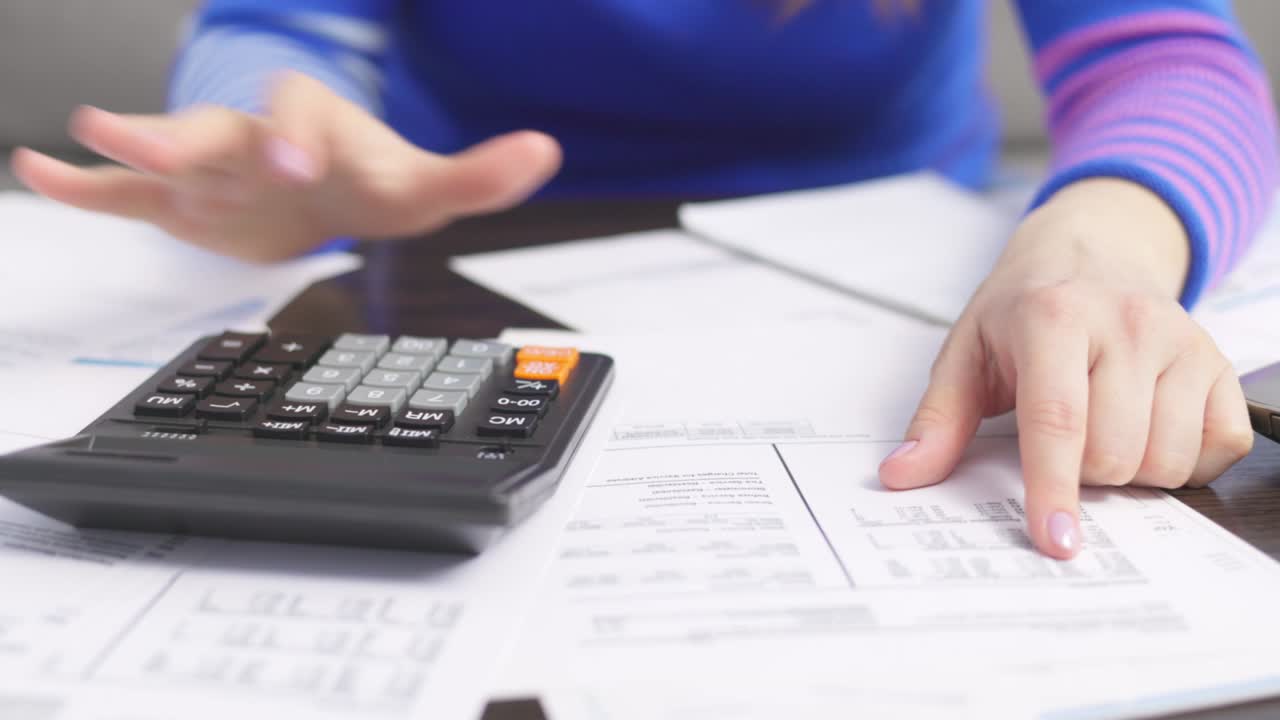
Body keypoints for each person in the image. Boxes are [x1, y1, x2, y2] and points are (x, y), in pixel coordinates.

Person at [9, 1, 1278, 560]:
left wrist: (1095, 250)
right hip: (462, 289)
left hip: (887, 278)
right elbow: (276, 32)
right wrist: (279, 149)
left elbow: (1167, 56)